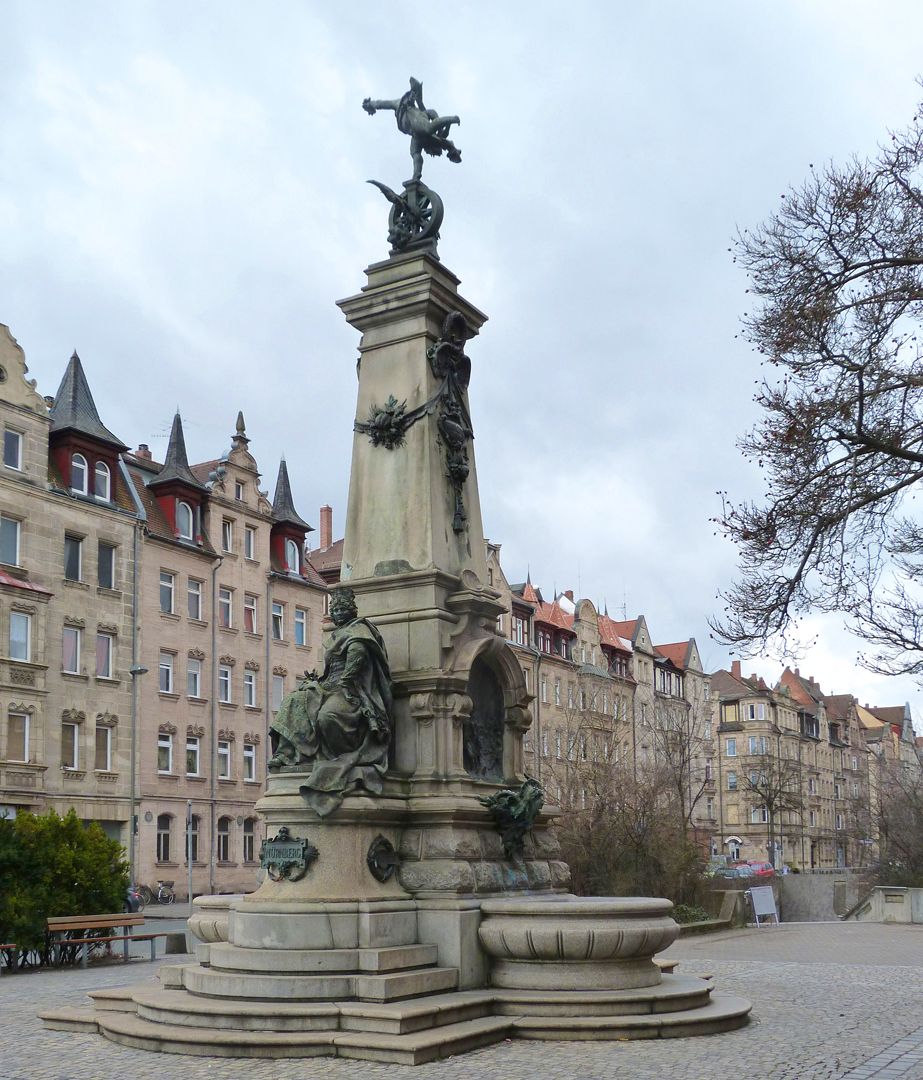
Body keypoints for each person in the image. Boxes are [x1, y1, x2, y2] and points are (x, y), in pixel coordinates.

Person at [268, 587, 393, 817]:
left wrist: (343, 683)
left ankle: (335, 757)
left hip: (351, 689)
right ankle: (286, 754)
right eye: (335, 610)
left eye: (342, 609)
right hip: (328, 685)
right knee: (293, 701)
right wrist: (316, 682)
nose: (338, 613)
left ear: (351, 610)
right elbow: (328, 670)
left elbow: (356, 659)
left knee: (328, 716)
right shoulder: (338, 633)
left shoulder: (358, 631)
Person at [363, 77, 461, 183]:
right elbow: (382, 104)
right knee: (422, 140)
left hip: (415, 129)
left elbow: (381, 104)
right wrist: (371, 104)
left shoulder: (420, 117)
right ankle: (416, 175)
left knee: (418, 147)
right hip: (413, 123)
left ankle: (416, 175)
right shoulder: (408, 108)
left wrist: (371, 104)